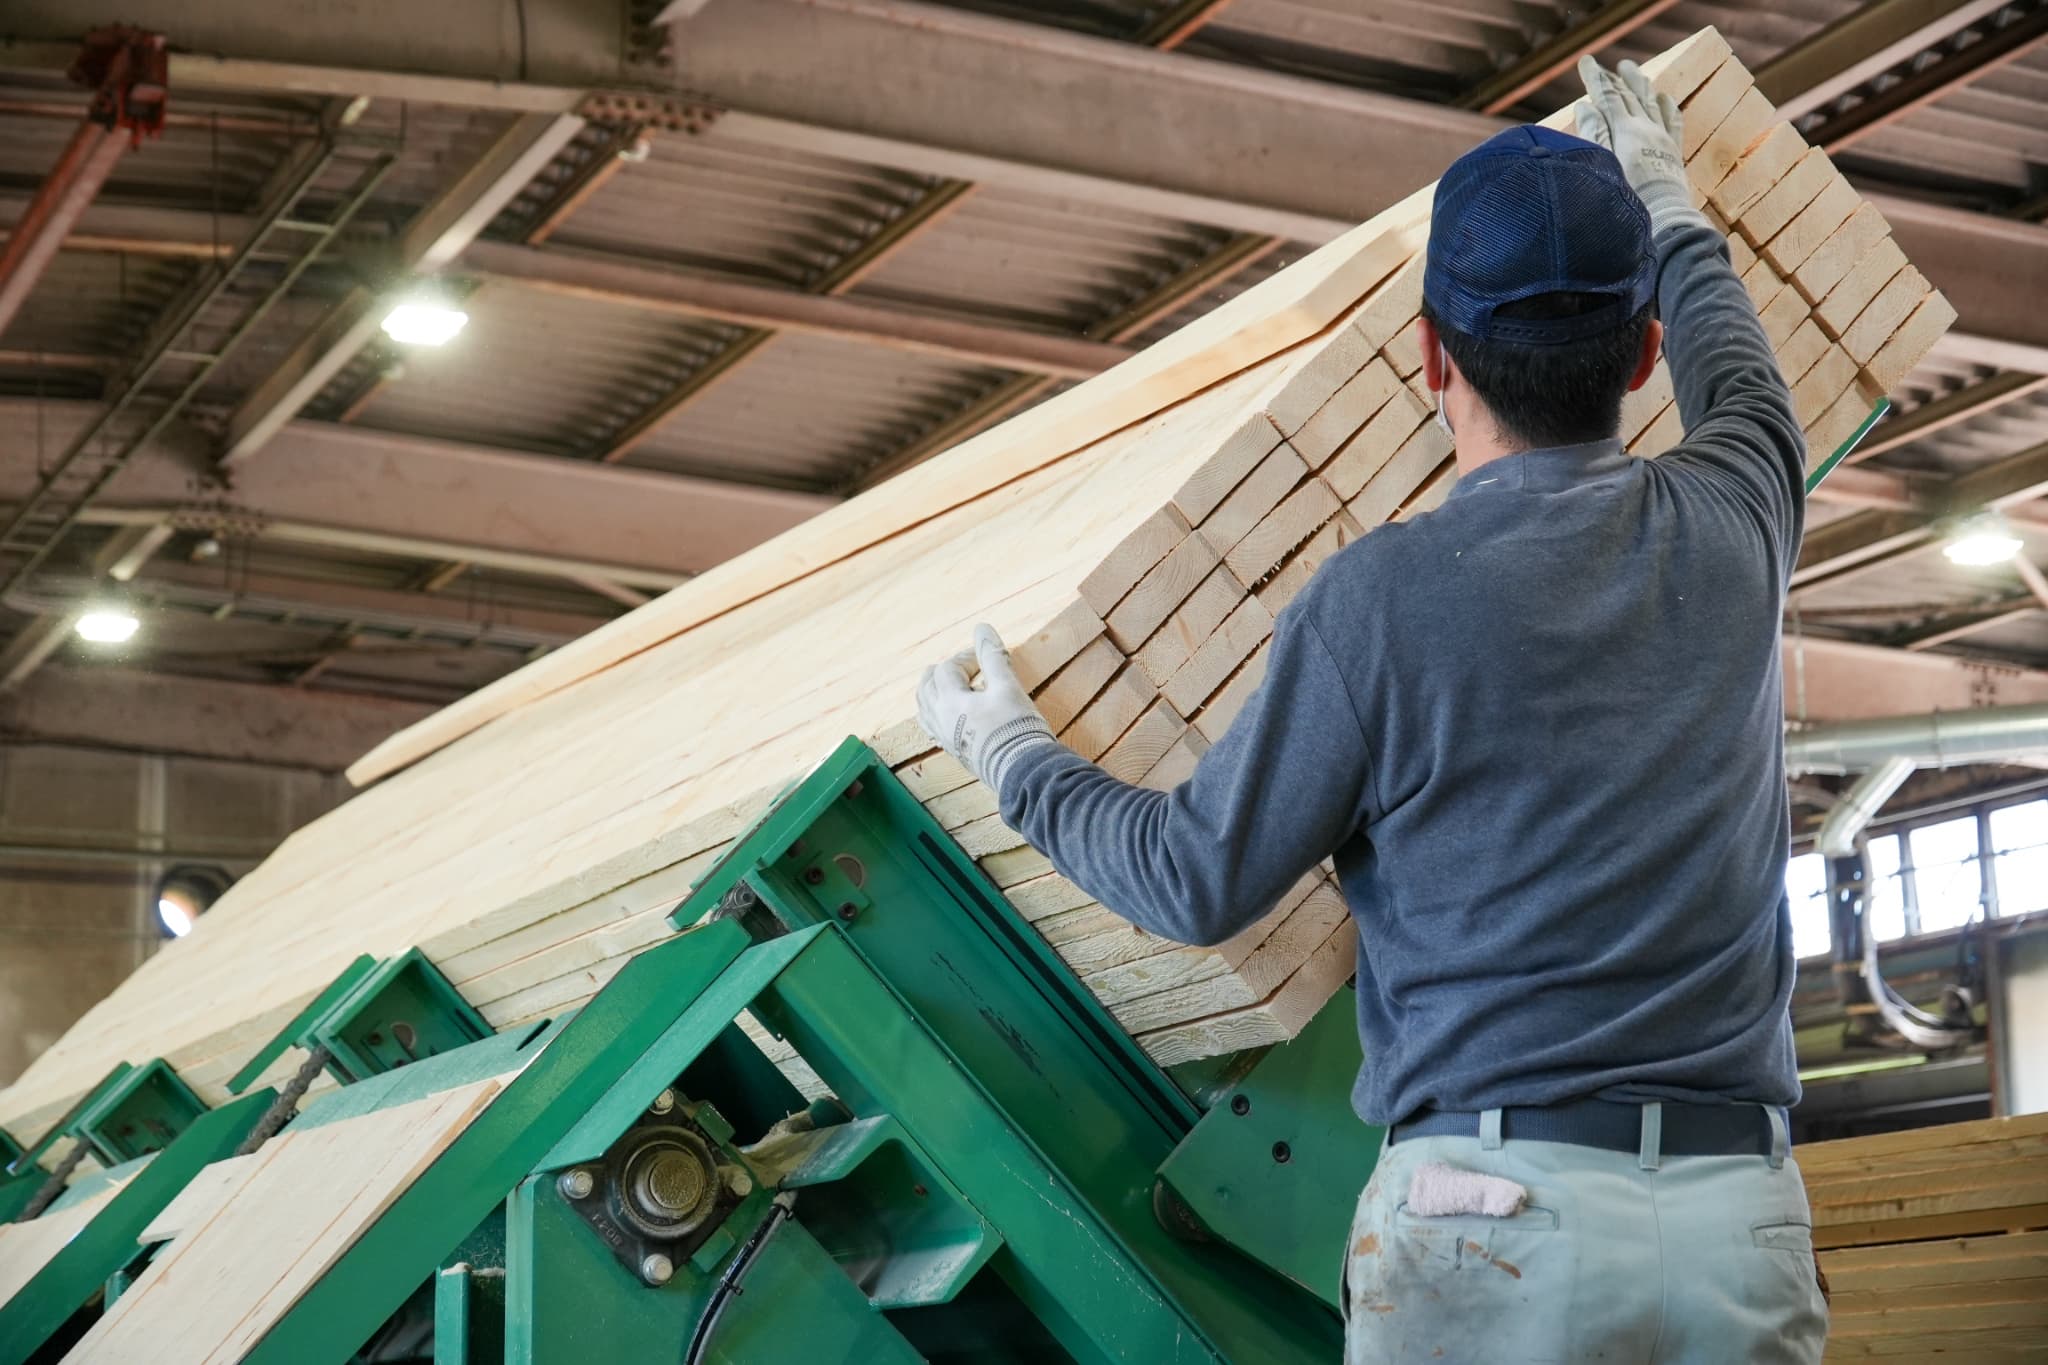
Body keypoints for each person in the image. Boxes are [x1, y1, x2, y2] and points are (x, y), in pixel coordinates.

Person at [916, 57, 1828, 1364]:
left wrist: (1007, 752)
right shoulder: (1741, 523)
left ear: (1427, 355)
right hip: (1741, 1225)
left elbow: (1195, 878)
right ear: (1641, 353)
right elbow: (1743, 377)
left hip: (1494, 1222)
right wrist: (1670, 201)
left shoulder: (1383, 600)